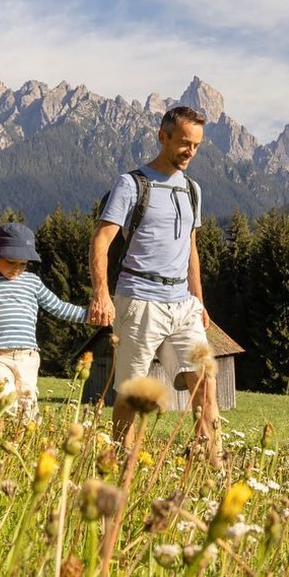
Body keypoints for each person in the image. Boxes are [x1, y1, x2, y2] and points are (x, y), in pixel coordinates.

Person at [89, 106, 220, 463]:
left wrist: (199, 300)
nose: (190, 152)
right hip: (139, 300)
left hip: (183, 304)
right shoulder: (131, 184)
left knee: (206, 379)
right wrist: (101, 293)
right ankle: (121, 460)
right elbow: (101, 240)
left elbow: (190, 248)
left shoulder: (193, 189)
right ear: (163, 137)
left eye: (196, 146)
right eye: (184, 143)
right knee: (131, 393)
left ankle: (211, 461)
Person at [0, 223, 90, 418]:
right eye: (10, 262)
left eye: (22, 264)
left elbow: (58, 307)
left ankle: (24, 439)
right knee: (0, 401)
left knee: (27, 404)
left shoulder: (32, 282)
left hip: (27, 356)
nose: (16, 269)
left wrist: (90, 315)